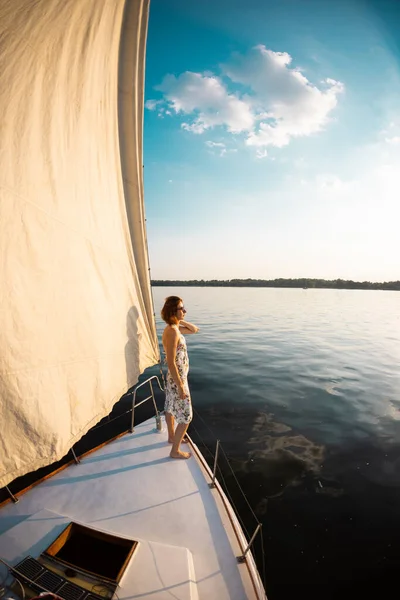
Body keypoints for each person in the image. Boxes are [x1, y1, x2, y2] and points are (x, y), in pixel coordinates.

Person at [161, 296, 199, 459]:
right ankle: (175, 450)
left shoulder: (174, 328)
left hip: (174, 378)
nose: (185, 311)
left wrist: (179, 320)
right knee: (186, 416)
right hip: (178, 379)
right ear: (172, 311)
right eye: (182, 309)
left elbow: (194, 329)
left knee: (170, 406)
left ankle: (171, 437)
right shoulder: (172, 332)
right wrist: (181, 386)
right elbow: (171, 362)